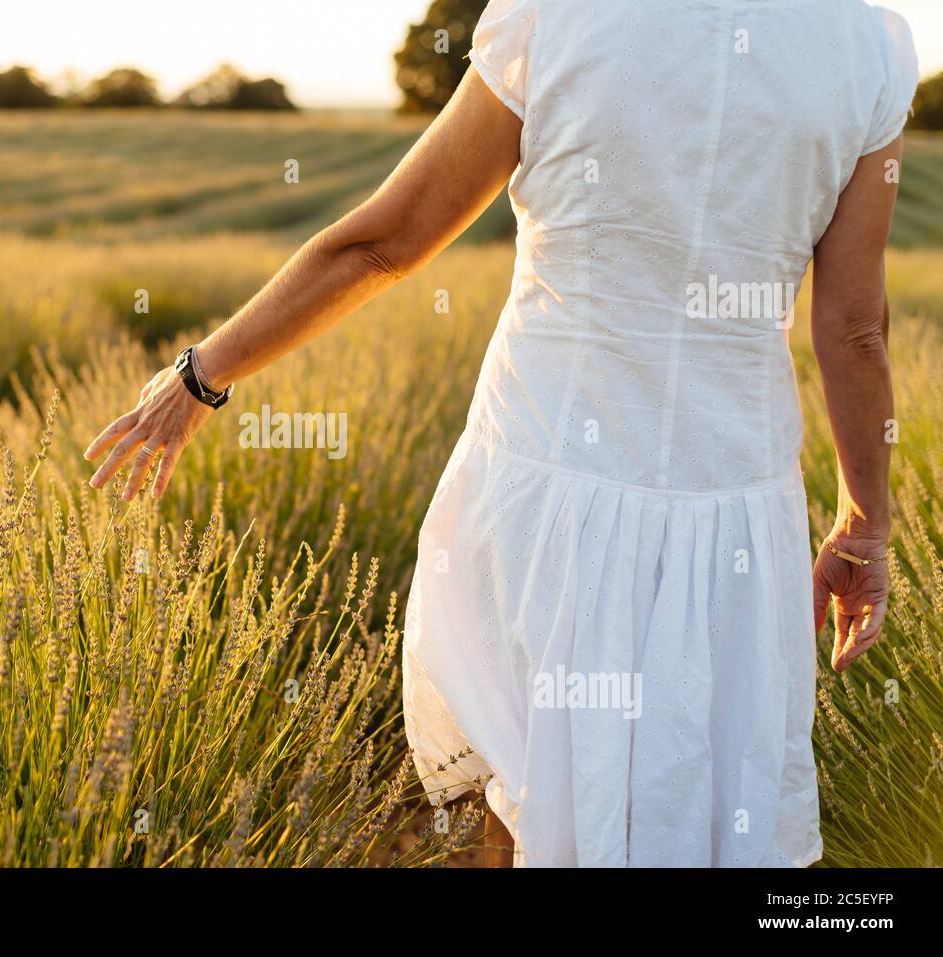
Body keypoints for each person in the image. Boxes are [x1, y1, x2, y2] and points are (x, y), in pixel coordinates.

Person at [85, 0, 919, 867]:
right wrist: (866, 525)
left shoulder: (555, 16)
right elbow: (855, 329)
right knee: (705, 817)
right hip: (736, 521)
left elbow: (385, 241)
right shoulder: (866, 46)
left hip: (549, 491)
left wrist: (202, 374)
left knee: (533, 799)